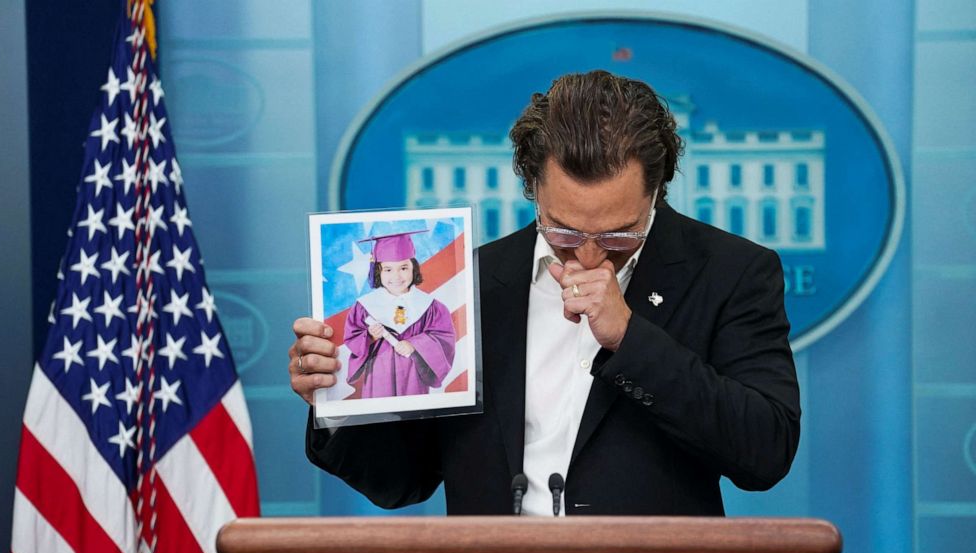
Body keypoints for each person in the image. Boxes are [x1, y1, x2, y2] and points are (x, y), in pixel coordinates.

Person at [289, 70, 800, 516]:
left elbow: (764, 452)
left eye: (620, 235)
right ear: (533, 187)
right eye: (565, 232)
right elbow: (401, 481)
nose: (590, 257)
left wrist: (630, 338)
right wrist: (336, 402)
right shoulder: (469, 286)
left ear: (657, 190)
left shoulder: (731, 272)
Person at [343, 231, 457, 398]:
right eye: (387, 269)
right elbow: (352, 337)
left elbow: (444, 338)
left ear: (414, 268)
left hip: (414, 376)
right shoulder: (365, 306)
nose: (396, 276)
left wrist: (415, 344)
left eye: (404, 268)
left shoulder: (432, 307)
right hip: (378, 375)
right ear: (377, 272)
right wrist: (370, 336)